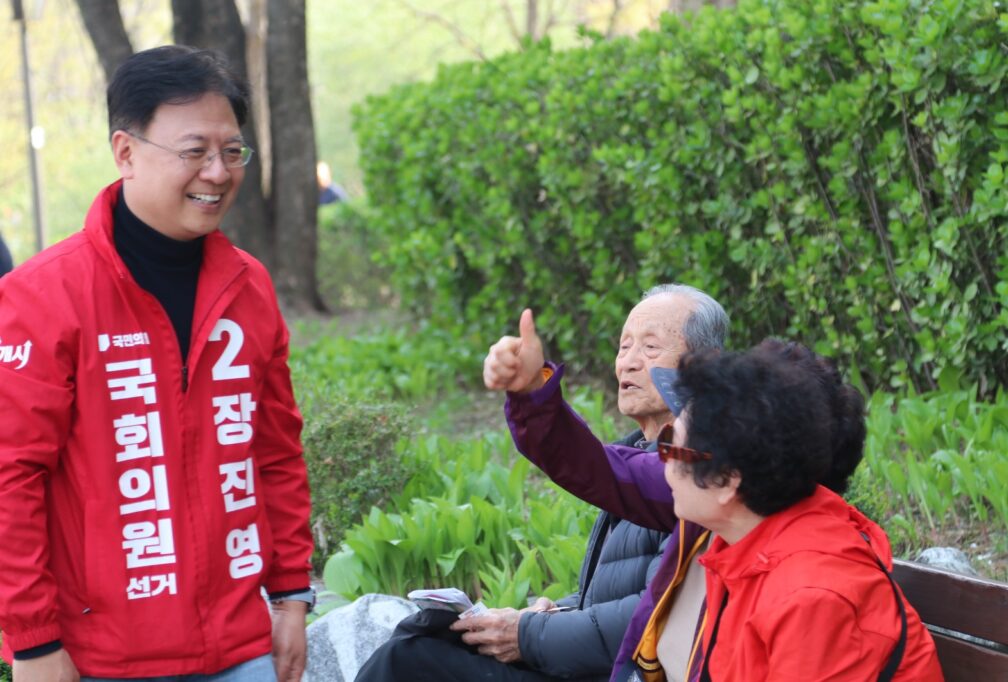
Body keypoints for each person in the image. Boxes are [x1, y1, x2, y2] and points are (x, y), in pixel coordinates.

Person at [0, 46, 314, 682]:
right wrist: (34, 643)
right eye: (194, 150)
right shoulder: (42, 296)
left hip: (240, 645)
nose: (218, 172)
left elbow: (275, 454)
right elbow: (10, 480)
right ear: (125, 150)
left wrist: (290, 598)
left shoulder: (248, 287)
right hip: (103, 657)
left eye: (233, 151)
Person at [486, 323, 944, 680]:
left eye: (674, 448)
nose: (660, 462)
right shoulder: (736, 535)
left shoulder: (811, 595)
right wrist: (532, 396)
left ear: (728, 479)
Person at [355, 285, 726, 681]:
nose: (629, 363)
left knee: (409, 662)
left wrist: (527, 634)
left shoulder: (702, 474)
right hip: (587, 662)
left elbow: (650, 616)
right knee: (423, 637)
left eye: (650, 348)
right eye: (623, 347)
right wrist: (553, 613)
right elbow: (608, 598)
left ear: (704, 366)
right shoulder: (640, 454)